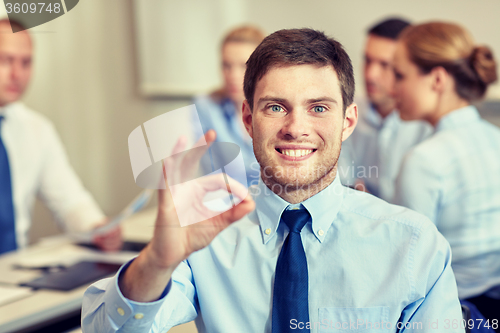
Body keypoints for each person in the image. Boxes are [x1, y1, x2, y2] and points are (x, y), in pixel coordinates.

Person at [82, 28, 463, 332]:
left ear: (347, 121)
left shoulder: (413, 245)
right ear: (248, 119)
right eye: (276, 107)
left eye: (318, 108)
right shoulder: (205, 238)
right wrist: (156, 262)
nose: (296, 128)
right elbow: (106, 329)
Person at [392, 21, 500, 327]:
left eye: (400, 75)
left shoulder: (424, 160)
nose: (391, 88)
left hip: (461, 314)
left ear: (437, 78)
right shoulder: (496, 138)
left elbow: (407, 266)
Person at [0, 18, 122, 253]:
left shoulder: (36, 129)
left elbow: (70, 201)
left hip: (11, 274)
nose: (17, 73)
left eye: (26, 63)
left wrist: (97, 228)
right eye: (5, 60)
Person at [338, 18, 431, 201]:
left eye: (384, 65)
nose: (370, 74)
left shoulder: (427, 125)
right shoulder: (344, 111)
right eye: (368, 60)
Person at [193, 25, 265, 187]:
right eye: (227, 65)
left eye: (244, 66)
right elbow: (210, 176)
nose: (233, 76)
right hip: (229, 204)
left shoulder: (279, 109)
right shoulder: (206, 108)